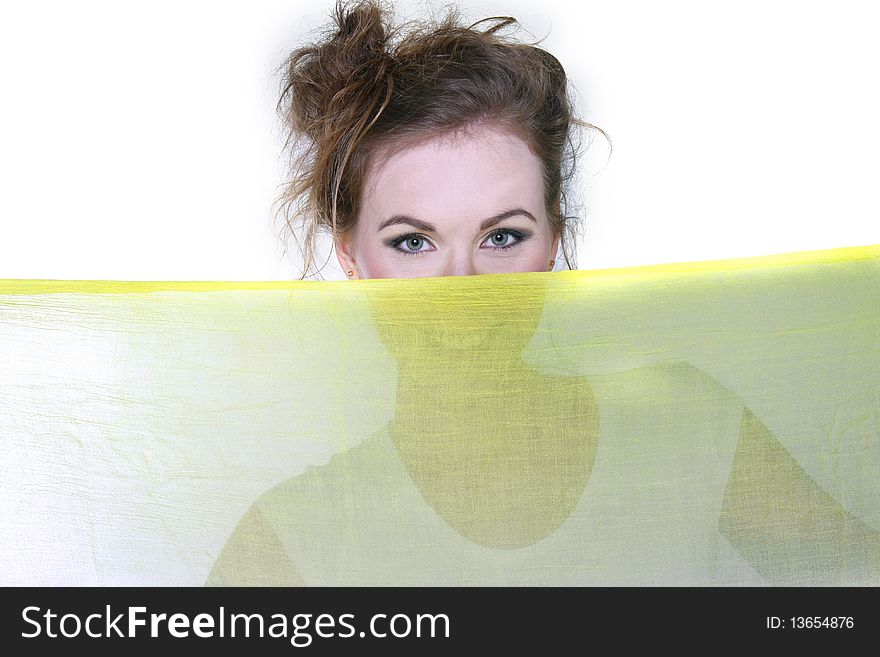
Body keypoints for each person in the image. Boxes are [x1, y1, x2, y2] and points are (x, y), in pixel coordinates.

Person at [206, 0, 879, 585]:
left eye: (501, 237)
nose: (461, 291)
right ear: (351, 256)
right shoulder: (290, 539)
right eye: (413, 242)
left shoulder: (690, 428)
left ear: (555, 238)